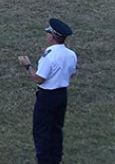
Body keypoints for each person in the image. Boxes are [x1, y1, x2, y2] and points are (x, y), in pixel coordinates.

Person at [18, 19, 78, 164]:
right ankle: (56, 159)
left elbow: (39, 79)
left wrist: (27, 66)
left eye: (49, 33)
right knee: (56, 129)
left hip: (47, 97)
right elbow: (72, 73)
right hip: (62, 95)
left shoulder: (49, 55)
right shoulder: (71, 54)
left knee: (41, 131)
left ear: (53, 36)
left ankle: (44, 160)